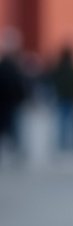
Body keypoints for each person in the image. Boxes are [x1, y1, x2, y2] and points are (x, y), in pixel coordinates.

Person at [0, 28, 29, 163]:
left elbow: (19, 83)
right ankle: (17, 152)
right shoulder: (11, 65)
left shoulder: (13, 64)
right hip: (9, 102)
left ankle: (17, 152)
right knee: (13, 127)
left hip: (10, 101)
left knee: (14, 128)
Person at [49, 43, 73, 152]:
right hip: (71, 98)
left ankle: (63, 143)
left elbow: (54, 81)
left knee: (62, 122)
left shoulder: (58, 69)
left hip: (62, 97)